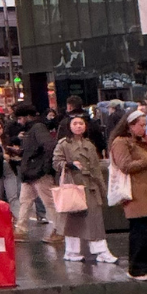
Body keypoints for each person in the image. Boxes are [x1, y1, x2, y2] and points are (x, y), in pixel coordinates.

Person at [107, 106, 147, 284]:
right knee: (141, 233)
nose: (144, 128)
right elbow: (125, 165)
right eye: (141, 125)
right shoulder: (121, 142)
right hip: (136, 193)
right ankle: (138, 268)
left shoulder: (141, 142)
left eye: (145, 125)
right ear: (129, 125)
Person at [51, 114, 111, 267]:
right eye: (75, 123)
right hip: (74, 185)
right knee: (73, 220)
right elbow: (56, 162)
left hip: (90, 185)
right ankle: (72, 251)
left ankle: (100, 250)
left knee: (95, 218)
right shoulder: (64, 144)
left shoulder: (89, 144)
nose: (79, 126)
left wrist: (102, 188)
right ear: (69, 126)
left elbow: (96, 169)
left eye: (81, 123)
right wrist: (69, 164)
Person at [10, 104, 58, 238]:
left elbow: (49, 146)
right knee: (25, 201)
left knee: (49, 202)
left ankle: (59, 230)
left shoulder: (37, 128)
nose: (19, 122)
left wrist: (44, 167)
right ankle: (21, 229)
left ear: (27, 117)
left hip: (37, 172)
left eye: (20, 118)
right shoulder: (34, 129)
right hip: (32, 172)